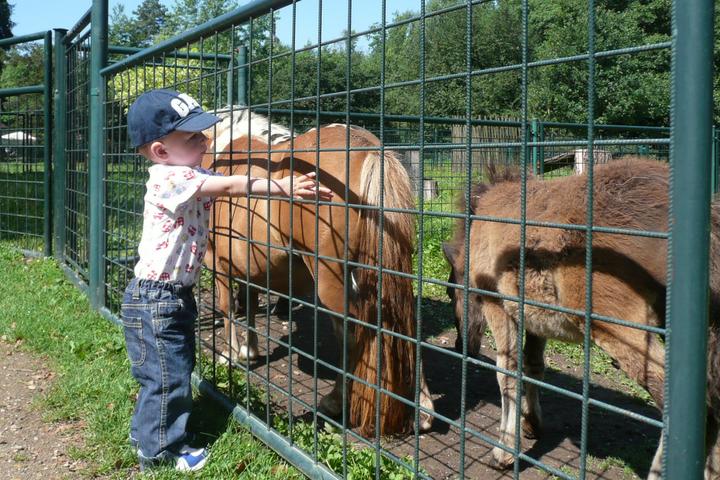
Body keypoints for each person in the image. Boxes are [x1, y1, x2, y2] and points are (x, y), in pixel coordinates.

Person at [120, 89, 333, 471]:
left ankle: (145, 433)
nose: (205, 141)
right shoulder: (170, 178)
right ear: (160, 151)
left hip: (171, 295)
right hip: (156, 299)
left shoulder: (190, 172)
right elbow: (233, 185)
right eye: (192, 138)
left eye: (204, 134)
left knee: (164, 373)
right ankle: (162, 452)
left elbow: (230, 180)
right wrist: (283, 187)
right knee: (169, 377)